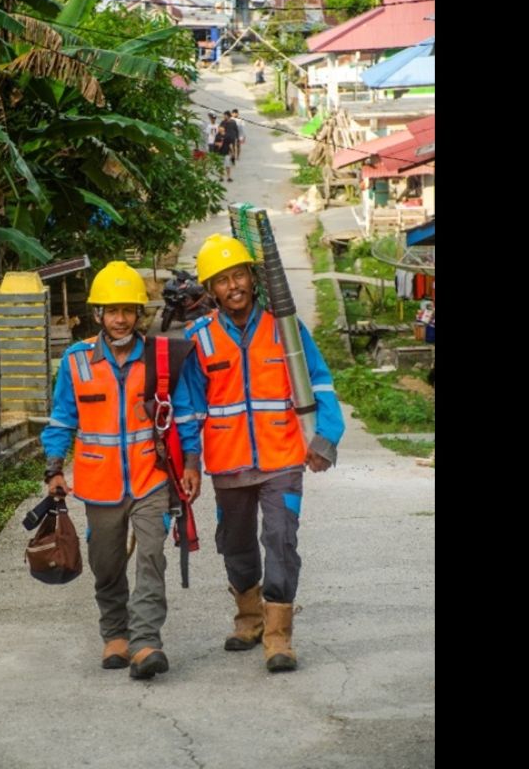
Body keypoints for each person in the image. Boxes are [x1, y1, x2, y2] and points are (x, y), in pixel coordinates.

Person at [182, 235, 345, 672]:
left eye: (238, 275)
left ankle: (278, 636)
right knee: (234, 544)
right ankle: (249, 619)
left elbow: (319, 381)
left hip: (282, 458)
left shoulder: (285, 328)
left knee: (280, 540)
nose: (233, 286)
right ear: (210, 290)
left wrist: (324, 438)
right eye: (222, 281)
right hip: (228, 462)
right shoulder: (199, 339)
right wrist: (190, 461)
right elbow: (189, 407)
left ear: (253, 279)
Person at [41, 261, 202, 680]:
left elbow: (182, 415)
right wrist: (54, 469)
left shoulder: (158, 359)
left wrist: (190, 462)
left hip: (151, 478)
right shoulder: (76, 362)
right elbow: (62, 419)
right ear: (98, 314)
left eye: (127, 309)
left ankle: (146, 641)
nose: (120, 318)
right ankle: (115, 632)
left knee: (151, 556)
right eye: (112, 310)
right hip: (99, 483)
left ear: (138, 313)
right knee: (106, 563)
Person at [219, 111, 239, 181]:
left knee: (233, 148)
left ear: (227, 115)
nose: (224, 116)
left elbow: (236, 130)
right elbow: (220, 129)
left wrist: (237, 137)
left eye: (224, 115)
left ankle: (233, 158)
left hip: (232, 138)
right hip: (226, 138)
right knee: (228, 149)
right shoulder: (223, 122)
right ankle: (230, 158)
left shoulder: (233, 122)